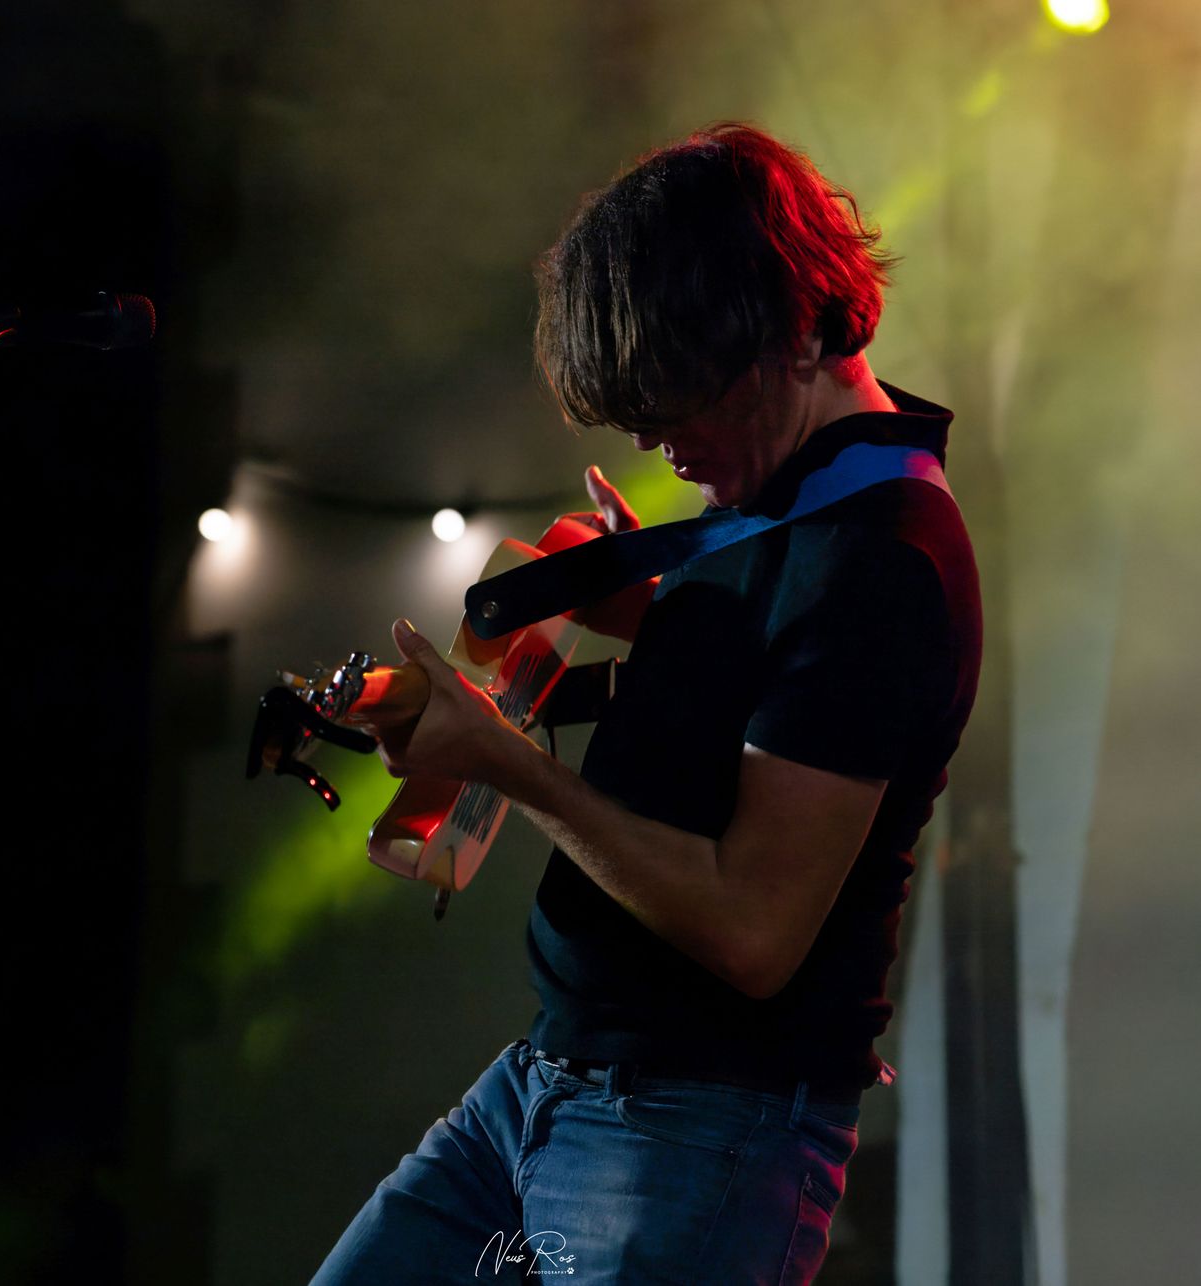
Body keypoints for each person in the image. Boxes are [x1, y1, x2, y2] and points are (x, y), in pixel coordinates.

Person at [313, 123, 981, 1284]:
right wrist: (659, 615)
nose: (659, 445)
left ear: (786, 331)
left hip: (697, 1134)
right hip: (552, 1080)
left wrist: (506, 761)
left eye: (674, 399)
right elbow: (760, 684)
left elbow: (752, 929)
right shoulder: (799, 510)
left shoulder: (881, 559)